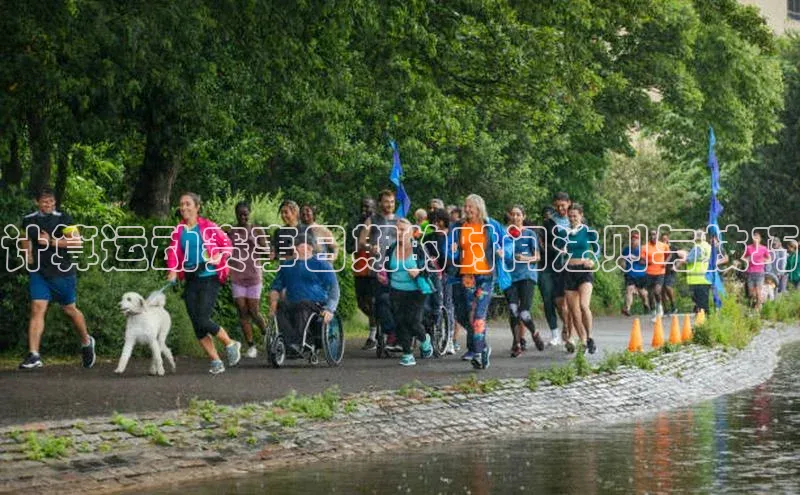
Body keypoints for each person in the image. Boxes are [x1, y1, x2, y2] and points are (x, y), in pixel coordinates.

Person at [19, 187, 96, 370]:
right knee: (37, 308)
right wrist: (27, 254)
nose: (49, 204)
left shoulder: (64, 218)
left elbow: (77, 242)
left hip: (62, 272)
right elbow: (24, 238)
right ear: (37, 202)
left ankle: (86, 342)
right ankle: (34, 355)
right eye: (45, 201)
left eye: (52, 201)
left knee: (69, 310)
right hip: (39, 272)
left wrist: (52, 241)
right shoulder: (29, 220)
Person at [167, 192, 241, 375]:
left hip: (209, 275)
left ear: (197, 207)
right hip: (191, 278)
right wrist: (172, 270)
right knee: (196, 323)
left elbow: (228, 245)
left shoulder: (208, 227)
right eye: (181, 204)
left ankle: (230, 343)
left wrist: (220, 255)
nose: (184, 207)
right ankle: (216, 360)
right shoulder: (179, 230)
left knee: (202, 318)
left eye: (188, 204)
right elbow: (173, 253)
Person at [448, 194, 513, 370]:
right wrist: (452, 252)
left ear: (479, 208)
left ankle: (477, 353)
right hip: (466, 275)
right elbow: (448, 250)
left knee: (478, 315)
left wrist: (503, 251)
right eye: (466, 206)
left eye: (471, 207)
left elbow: (507, 243)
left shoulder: (491, 225)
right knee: (468, 314)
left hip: (485, 275)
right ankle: (483, 348)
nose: (467, 209)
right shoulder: (458, 226)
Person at [269, 236, 339, 355]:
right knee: (281, 306)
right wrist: (273, 304)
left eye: (299, 245)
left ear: (310, 247)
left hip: (316, 303)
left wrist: (330, 309)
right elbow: (276, 287)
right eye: (295, 245)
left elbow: (334, 289)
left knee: (302, 305)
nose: (295, 247)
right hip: (293, 302)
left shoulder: (322, 265)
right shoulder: (287, 266)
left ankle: (299, 342)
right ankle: (290, 343)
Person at [384, 218, 434, 366]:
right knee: (400, 322)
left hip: (416, 290)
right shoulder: (391, 249)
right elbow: (387, 267)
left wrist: (419, 272)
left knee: (412, 321)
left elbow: (430, 268)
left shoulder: (418, 248)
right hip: (396, 290)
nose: (399, 232)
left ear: (411, 232)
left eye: (403, 229)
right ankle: (407, 354)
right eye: (397, 229)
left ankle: (425, 340)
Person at [226, 201, 268, 358]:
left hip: (253, 275)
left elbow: (266, 251)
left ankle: (266, 333)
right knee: (242, 311)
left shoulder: (257, 230)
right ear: (236, 214)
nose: (243, 216)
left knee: (253, 310)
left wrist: (254, 243)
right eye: (240, 214)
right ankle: (251, 346)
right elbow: (224, 249)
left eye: (246, 213)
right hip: (237, 276)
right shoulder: (231, 231)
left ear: (249, 213)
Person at [358, 190, 399, 350]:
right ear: (380, 203)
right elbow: (362, 242)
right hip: (377, 269)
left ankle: (397, 335)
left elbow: (410, 240)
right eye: (387, 201)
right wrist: (370, 248)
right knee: (378, 302)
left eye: (392, 202)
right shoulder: (372, 220)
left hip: (396, 268)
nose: (390, 205)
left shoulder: (400, 220)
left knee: (396, 301)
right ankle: (387, 333)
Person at [556, 203, 599, 354]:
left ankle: (590, 337)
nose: (572, 218)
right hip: (569, 271)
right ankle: (581, 339)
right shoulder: (564, 232)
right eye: (570, 216)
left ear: (581, 216)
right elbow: (558, 246)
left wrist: (593, 260)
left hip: (584, 270)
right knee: (573, 311)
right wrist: (561, 250)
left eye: (575, 216)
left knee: (583, 305)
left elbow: (597, 249)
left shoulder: (588, 231)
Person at [504, 205, 543, 357]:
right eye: (512, 214)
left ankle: (534, 333)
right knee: (513, 310)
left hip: (527, 275)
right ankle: (517, 343)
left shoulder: (529, 234)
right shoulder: (505, 235)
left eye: (518, 214)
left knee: (524, 312)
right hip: (509, 277)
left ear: (523, 217)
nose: (515, 217)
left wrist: (525, 258)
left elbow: (538, 257)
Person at [539, 193, 571, 347]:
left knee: (562, 302)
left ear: (568, 204)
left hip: (566, 266)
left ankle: (567, 328)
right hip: (547, 265)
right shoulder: (548, 223)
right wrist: (558, 249)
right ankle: (554, 333)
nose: (560, 208)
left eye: (563, 205)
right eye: (557, 205)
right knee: (547, 299)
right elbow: (543, 244)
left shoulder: (575, 220)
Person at [424, 208, 456, 354]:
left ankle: (449, 339)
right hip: (433, 274)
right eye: (433, 221)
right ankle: (432, 334)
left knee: (448, 304)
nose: (436, 224)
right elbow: (424, 253)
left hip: (448, 274)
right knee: (433, 303)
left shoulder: (451, 236)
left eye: (439, 221)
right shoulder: (428, 238)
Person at [349, 198, 378, 350]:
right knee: (361, 303)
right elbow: (350, 245)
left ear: (374, 207)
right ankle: (379, 323)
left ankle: (373, 335)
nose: (364, 209)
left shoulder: (377, 223)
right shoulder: (356, 224)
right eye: (363, 206)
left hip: (373, 268)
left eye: (368, 207)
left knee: (373, 302)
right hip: (359, 267)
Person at [680, 229, 712, 314]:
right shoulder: (708, 247)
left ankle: (703, 324)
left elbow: (688, 260)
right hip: (705, 278)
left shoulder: (698, 247)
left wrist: (682, 255)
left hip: (697, 279)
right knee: (703, 304)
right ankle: (705, 323)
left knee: (700, 306)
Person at [619, 231, 649, 317]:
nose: (634, 241)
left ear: (639, 241)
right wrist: (623, 267)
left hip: (641, 274)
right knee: (629, 290)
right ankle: (627, 309)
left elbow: (646, 261)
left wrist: (637, 258)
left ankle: (646, 305)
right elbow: (622, 260)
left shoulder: (642, 249)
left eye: (636, 239)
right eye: (632, 239)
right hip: (630, 274)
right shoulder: (626, 250)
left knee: (643, 293)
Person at [641, 230, 669, 322]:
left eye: (655, 235)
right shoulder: (645, 247)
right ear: (649, 236)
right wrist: (646, 262)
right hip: (649, 273)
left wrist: (665, 262)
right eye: (652, 235)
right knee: (650, 295)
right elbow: (641, 260)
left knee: (657, 291)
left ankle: (659, 308)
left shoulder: (663, 245)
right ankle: (653, 312)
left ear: (658, 236)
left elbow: (669, 254)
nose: (654, 236)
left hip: (660, 272)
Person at [743, 231, 772, 312]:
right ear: (752, 239)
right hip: (750, 272)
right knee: (751, 293)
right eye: (754, 238)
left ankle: (757, 309)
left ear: (760, 239)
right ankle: (759, 304)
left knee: (758, 292)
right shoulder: (748, 248)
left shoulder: (764, 248)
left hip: (760, 272)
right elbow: (743, 258)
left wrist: (764, 260)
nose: (755, 240)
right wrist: (747, 260)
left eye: (757, 238)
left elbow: (769, 258)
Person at [660, 232, 678, 314]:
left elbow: (682, 258)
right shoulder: (659, 248)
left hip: (670, 271)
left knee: (668, 287)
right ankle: (665, 309)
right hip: (660, 271)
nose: (664, 241)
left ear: (668, 239)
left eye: (665, 239)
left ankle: (673, 305)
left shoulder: (673, 248)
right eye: (663, 239)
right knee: (662, 291)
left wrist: (676, 266)